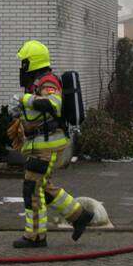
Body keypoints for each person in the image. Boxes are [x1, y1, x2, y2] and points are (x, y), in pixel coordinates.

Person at [10, 40, 93, 249]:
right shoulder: (37, 83)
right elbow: (38, 113)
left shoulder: (47, 81)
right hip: (40, 145)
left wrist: (25, 100)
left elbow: (54, 104)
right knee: (43, 189)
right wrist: (19, 116)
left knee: (31, 189)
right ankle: (80, 215)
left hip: (47, 147)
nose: (22, 67)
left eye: (24, 62)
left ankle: (35, 237)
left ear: (32, 62)